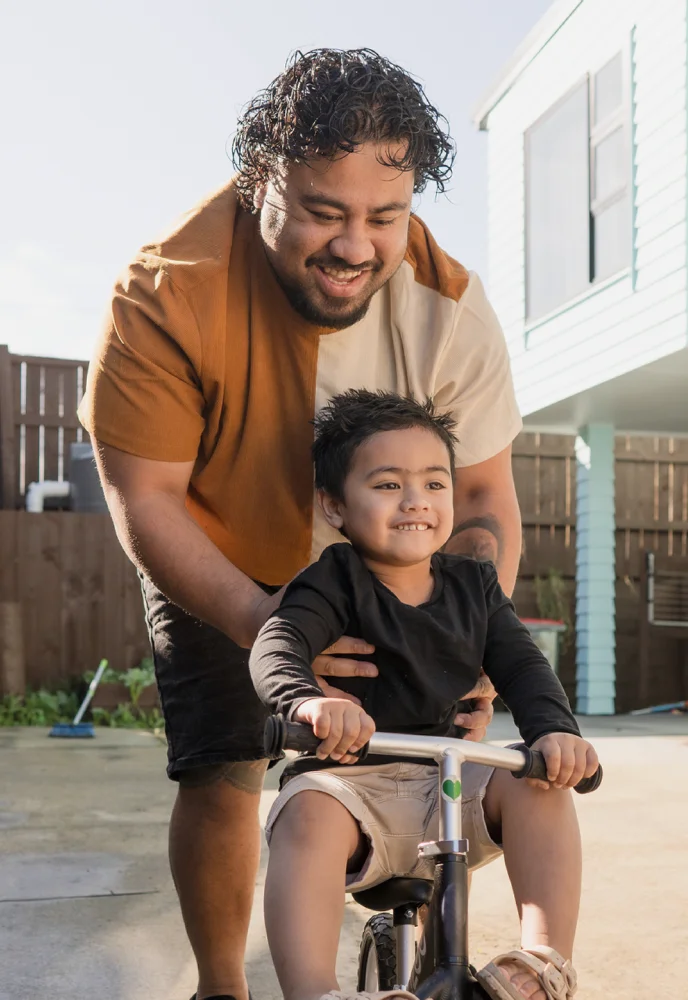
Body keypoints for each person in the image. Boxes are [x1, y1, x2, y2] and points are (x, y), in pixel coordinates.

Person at [79, 49, 524, 1000]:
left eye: (384, 218)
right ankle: (220, 987)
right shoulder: (166, 291)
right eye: (324, 212)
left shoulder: (448, 305)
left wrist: (477, 627)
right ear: (260, 185)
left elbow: (483, 503)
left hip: (396, 565)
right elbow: (146, 499)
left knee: (450, 762)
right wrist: (266, 632)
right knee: (229, 767)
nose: (356, 244)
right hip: (223, 554)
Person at [250, 390, 598, 1000]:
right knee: (307, 813)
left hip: (450, 783)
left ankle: (541, 966)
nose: (416, 501)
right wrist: (307, 702)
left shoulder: (475, 585)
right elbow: (277, 643)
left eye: (435, 484)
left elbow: (523, 666)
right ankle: (313, 991)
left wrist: (554, 732)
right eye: (387, 485)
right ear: (335, 505)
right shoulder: (336, 580)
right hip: (352, 785)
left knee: (540, 779)